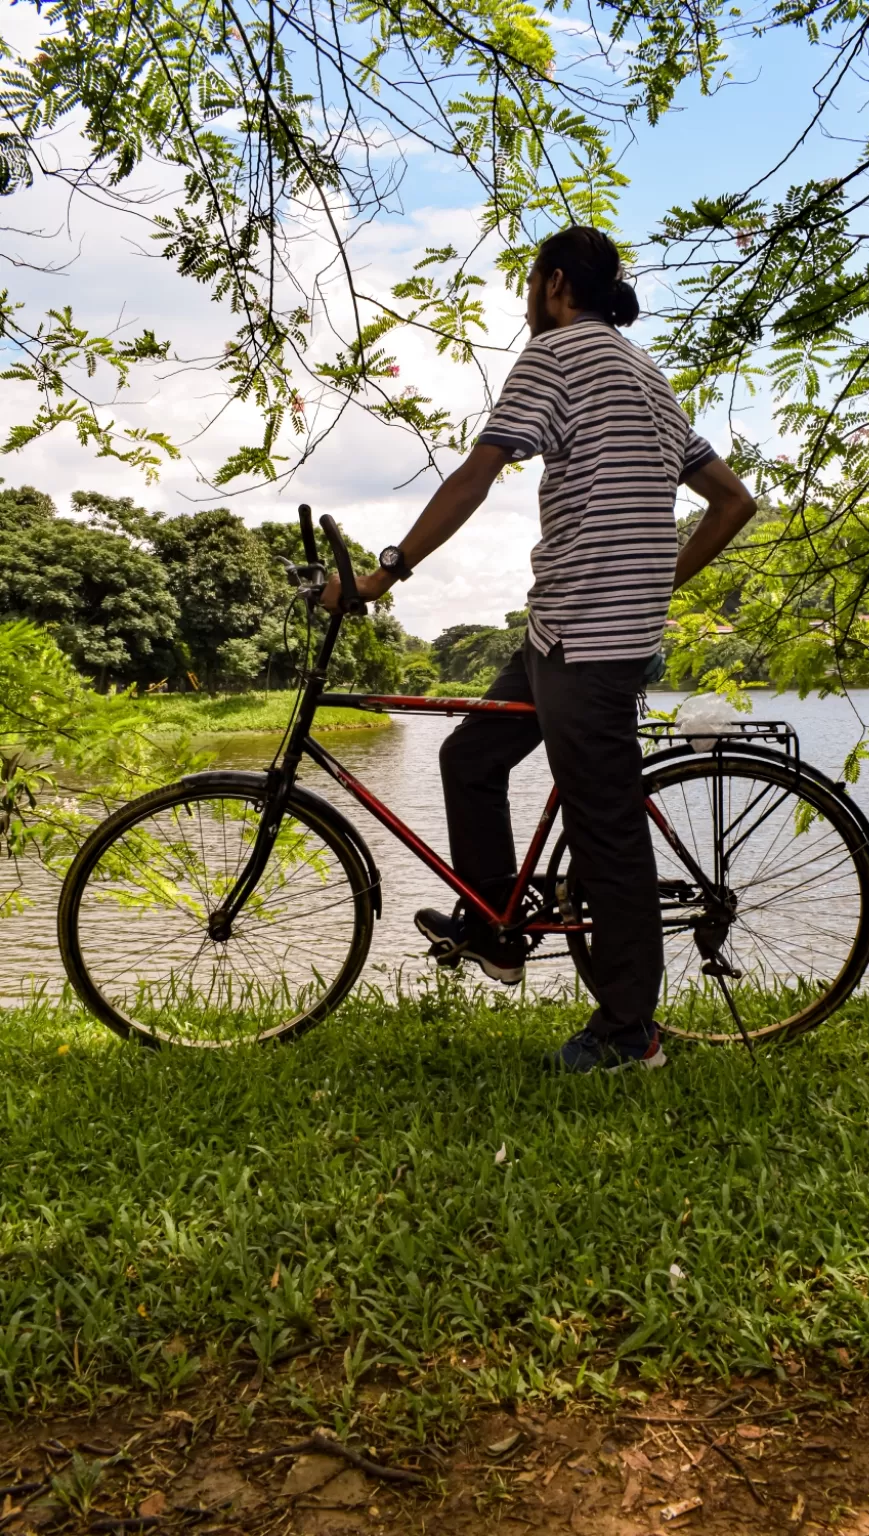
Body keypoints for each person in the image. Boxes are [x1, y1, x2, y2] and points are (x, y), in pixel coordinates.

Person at [323, 225, 756, 1073]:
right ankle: (495, 929)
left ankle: (631, 1032)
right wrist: (658, 583)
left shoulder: (558, 355)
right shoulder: (645, 372)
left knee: (606, 831)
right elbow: (731, 502)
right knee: (471, 756)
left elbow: (476, 475)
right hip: (568, 629)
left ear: (555, 284)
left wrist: (383, 575)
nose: (529, 300)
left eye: (531, 284)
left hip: (589, 640)